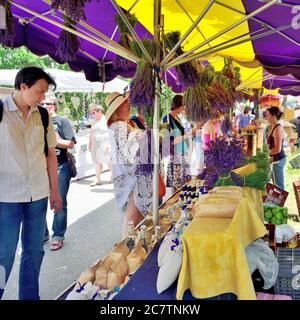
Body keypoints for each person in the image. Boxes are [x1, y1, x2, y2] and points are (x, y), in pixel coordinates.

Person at [0, 67, 62, 300]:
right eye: (40, 91)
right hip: (6, 197)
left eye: (45, 93)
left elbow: (50, 154)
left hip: (38, 194)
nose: (43, 97)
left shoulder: (43, 115)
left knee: (34, 252)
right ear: (23, 86)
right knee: (3, 255)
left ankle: (29, 297)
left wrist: (55, 191)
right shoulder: (1, 110)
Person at [105, 92, 152, 237]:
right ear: (118, 108)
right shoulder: (119, 126)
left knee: (134, 217)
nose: (128, 106)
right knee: (132, 219)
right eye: (126, 104)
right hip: (132, 179)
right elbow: (131, 152)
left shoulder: (119, 126)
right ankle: (128, 249)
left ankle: (132, 248)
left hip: (128, 177)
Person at [42, 96, 76, 251]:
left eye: (48, 103)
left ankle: (58, 235)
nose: (44, 105)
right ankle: (42, 234)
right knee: (38, 202)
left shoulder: (62, 121)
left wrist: (54, 139)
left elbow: (70, 143)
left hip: (60, 166)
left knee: (59, 202)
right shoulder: (37, 120)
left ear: (54, 106)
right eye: (42, 103)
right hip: (39, 168)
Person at [162, 95, 195, 193]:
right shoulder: (167, 118)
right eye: (183, 106)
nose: (184, 108)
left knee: (180, 184)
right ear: (178, 105)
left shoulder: (177, 117)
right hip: (175, 155)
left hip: (181, 153)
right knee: (176, 184)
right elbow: (169, 140)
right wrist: (189, 133)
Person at [88, 104, 112, 186]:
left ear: (99, 111)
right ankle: (97, 178)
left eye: (93, 113)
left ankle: (113, 175)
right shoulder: (94, 121)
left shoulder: (106, 120)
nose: (92, 115)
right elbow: (91, 133)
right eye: (92, 113)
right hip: (96, 144)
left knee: (108, 161)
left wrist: (109, 145)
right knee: (97, 161)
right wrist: (90, 143)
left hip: (105, 143)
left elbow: (110, 133)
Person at [265, 106, 286, 190]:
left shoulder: (278, 128)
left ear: (274, 116)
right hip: (274, 159)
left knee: (279, 185)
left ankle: (281, 203)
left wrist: (266, 154)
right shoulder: (271, 126)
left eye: (268, 115)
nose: (267, 118)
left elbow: (278, 149)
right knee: (275, 183)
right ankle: (277, 202)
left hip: (278, 160)